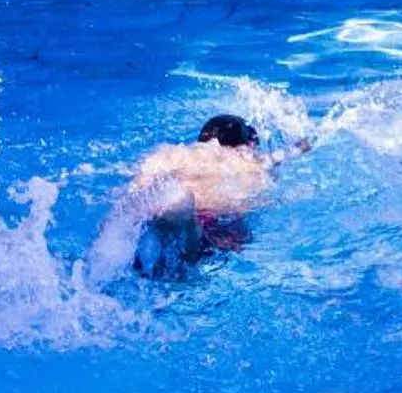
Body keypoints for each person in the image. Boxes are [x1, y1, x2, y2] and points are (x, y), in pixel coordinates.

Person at [110, 113, 283, 281]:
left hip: (154, 210)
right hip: (203, 225)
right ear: (246, 145)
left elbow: (133, 191)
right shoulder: (247, 163)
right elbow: (252, 203)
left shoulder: (167, 153)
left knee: (167, 221)